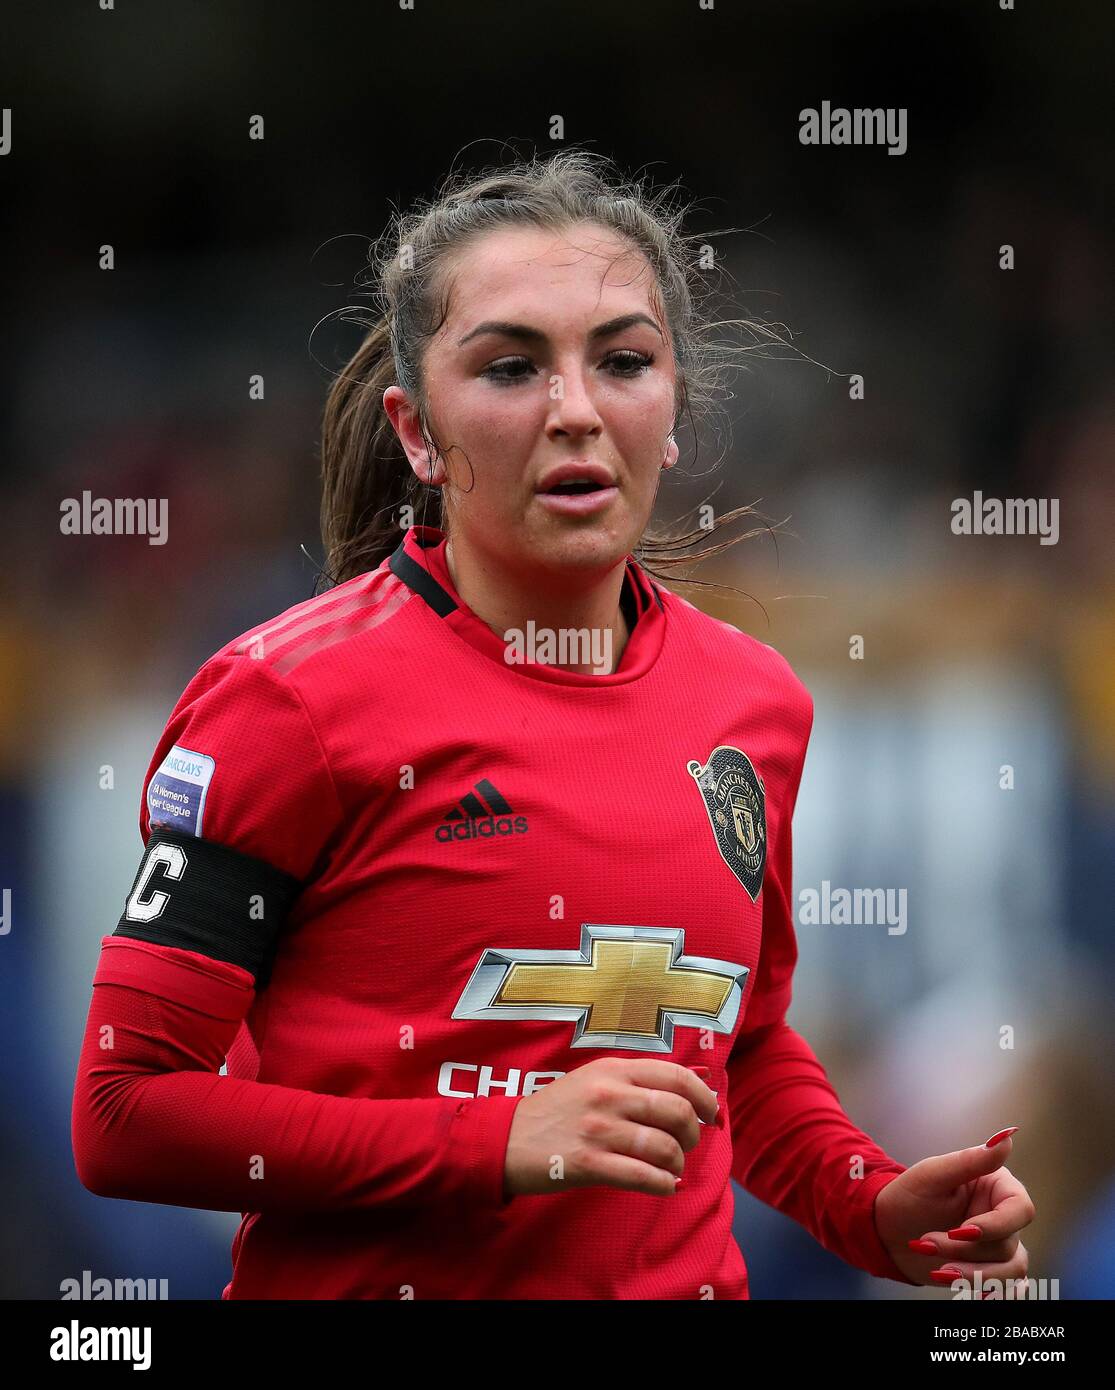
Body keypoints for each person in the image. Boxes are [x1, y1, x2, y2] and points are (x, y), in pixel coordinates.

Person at [71, 149, 1034, 1299]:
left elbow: (739, 1051)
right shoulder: (286, 702)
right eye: (511, 367)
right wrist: (496, 1142)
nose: (575, 410)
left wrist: (867, 1202)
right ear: (417, 433)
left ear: (671, 410)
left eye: (622, 361)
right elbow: (124, 1114)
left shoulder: (755, 704)